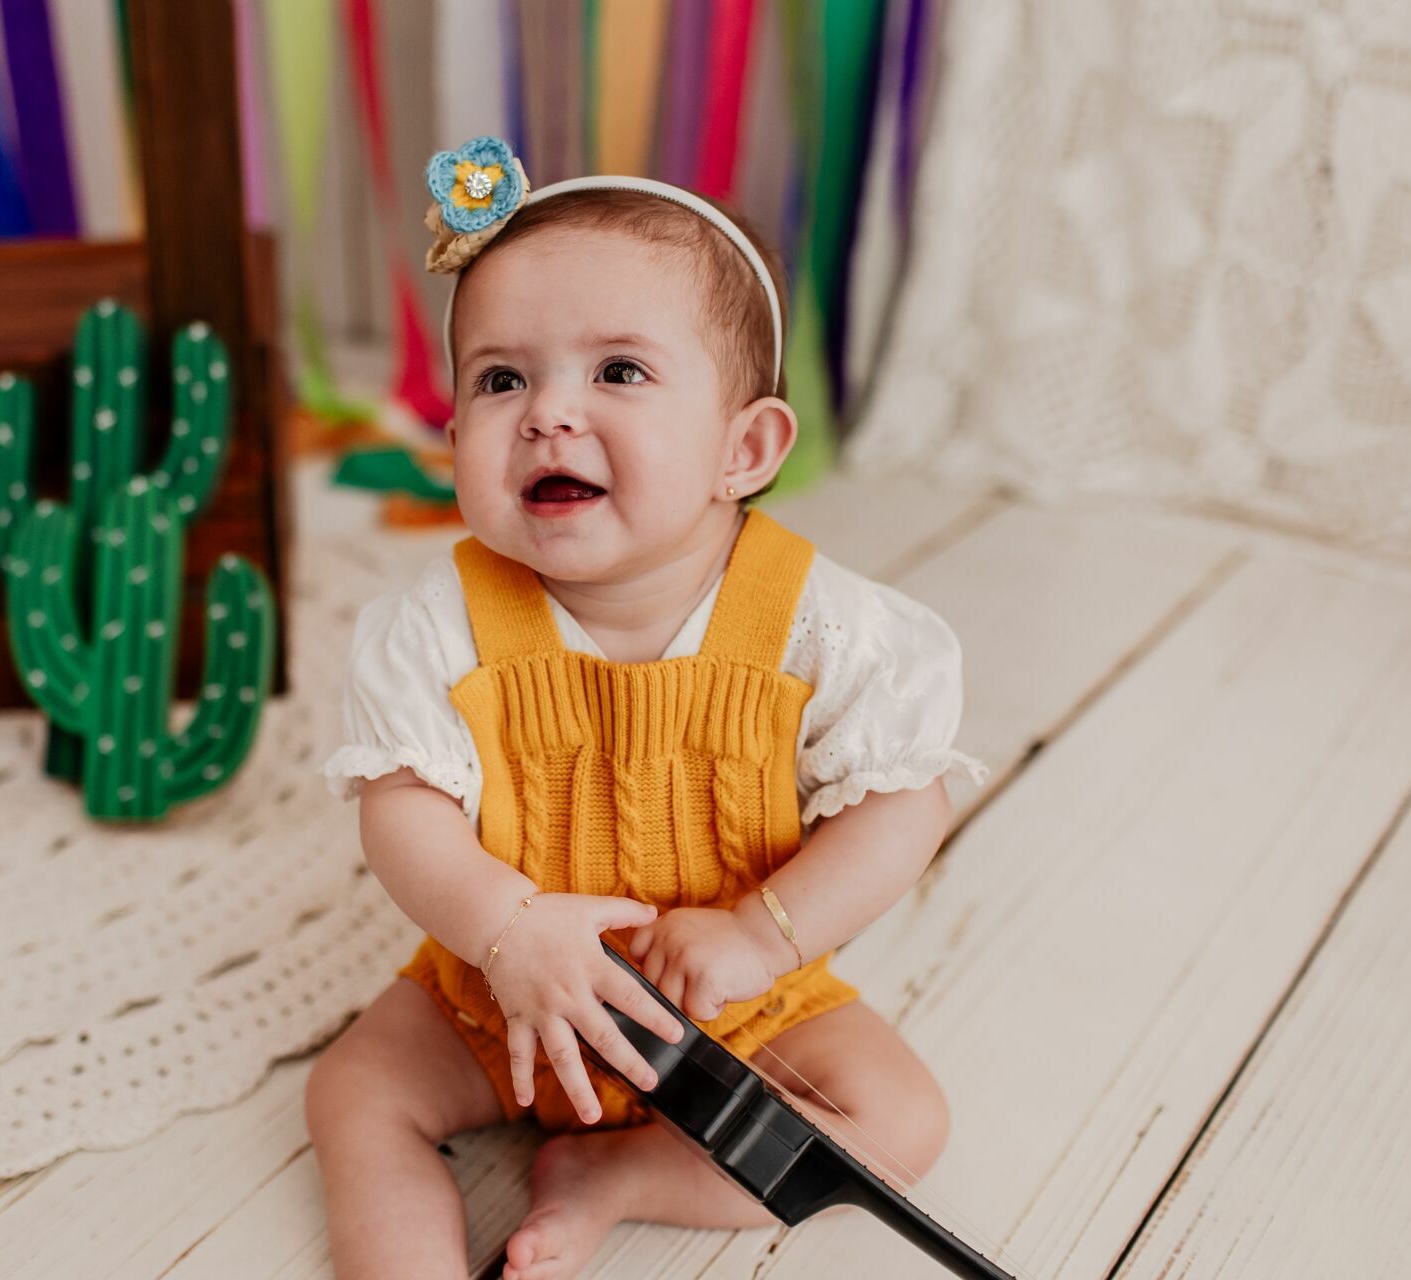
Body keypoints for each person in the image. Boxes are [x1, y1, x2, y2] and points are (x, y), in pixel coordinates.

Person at [309, 136, 990, 1280]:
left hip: (733, 1007)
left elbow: (901, 809)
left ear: (746, 446)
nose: (546, 415)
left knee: (897, 1119)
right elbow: (403, 806)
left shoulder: (823, 627)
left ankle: (617, 1177)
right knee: (354, 1092)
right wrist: (505, 928)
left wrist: (756, 934)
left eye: (617, 372)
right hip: (497, 995)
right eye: (500, 377)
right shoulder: (440, 623)